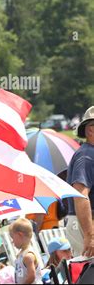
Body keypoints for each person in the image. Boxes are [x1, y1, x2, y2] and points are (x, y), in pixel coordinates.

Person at [66, 105, 94, 257]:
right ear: (90, 130)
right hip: (83, 224)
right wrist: (90, 236)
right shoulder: (87, 156)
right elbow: (80, 195)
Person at [9, 218, 43, 284]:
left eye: (13, 238)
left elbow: (31, 277)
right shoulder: (21, 254)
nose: (12, 241)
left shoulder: (28, 256)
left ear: (20, 235)